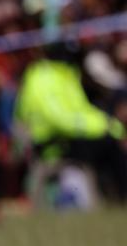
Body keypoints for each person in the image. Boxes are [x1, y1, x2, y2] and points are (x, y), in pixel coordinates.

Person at [16, 43, 127, 202]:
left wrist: (114, 127)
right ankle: (120, 197)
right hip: (52, 141)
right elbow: (59, 119)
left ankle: (116, 198)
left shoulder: (66, 75)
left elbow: (83, 110)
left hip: (70, 136)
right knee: (110, 144)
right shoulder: (43, 78)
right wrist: (103, 128)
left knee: (115, 141)